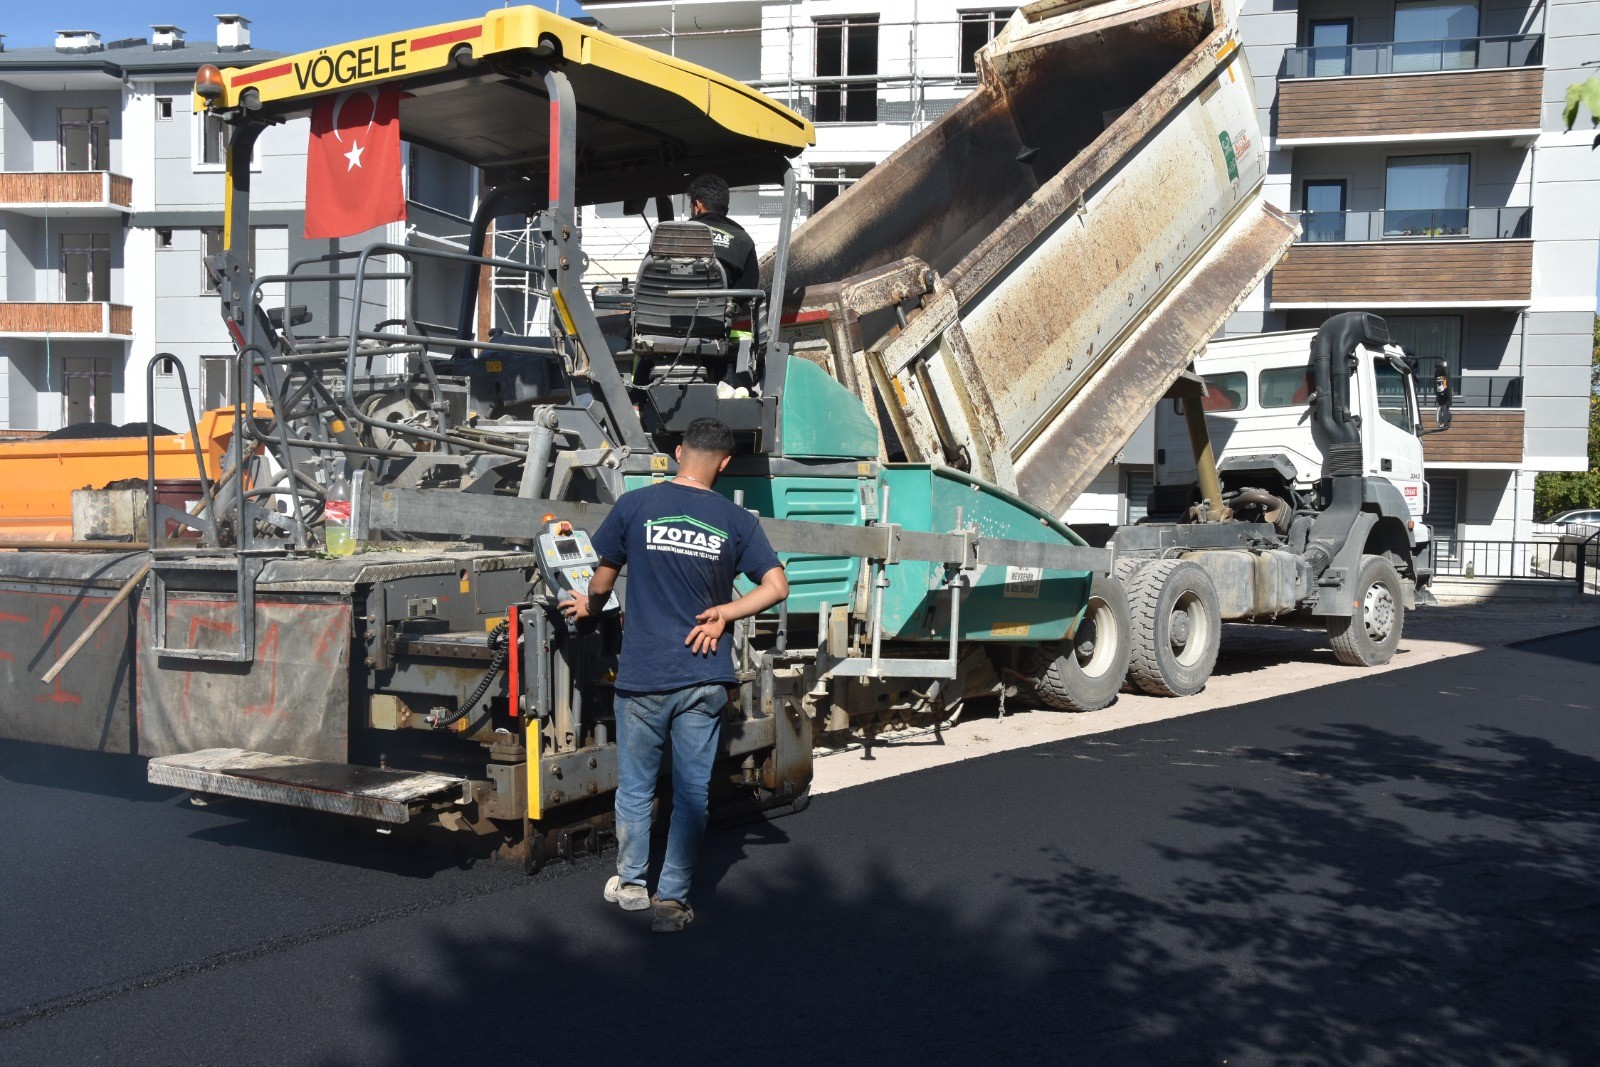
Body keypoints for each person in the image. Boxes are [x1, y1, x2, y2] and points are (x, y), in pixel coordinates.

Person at [561, 417, 788, 933]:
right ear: (725, 464)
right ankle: (673, 899)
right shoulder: (737, 521)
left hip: (643, 676)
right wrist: (727, 613)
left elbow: (601, 579)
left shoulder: (637, 505)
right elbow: (777, 586)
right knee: (691, 793)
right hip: (705, 676)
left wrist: (589, 606)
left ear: (677, 452)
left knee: (637, 787)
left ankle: (633, 885)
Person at [687, 173, 759, 291]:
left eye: (690, 207)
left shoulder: (667, 235)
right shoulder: (743, 241)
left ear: (697, 205)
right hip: (721, 309)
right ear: (725, 208)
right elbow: (749, 294)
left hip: (666, 309)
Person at [1434, 364, 1453, 430]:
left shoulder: (1443, 378)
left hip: (1443, 397)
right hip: (1442, 397)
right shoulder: (1442, 378)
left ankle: (1444, 421)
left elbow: (1445, 386)